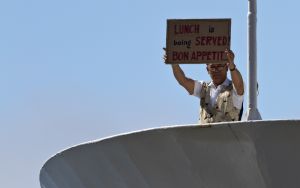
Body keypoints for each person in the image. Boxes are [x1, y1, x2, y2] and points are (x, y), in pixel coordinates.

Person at [164, 49, 244, 124]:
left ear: (226, 68)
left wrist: (232, 66)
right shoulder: (204, 88)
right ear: (207, 70)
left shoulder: (234, 89)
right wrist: (174, 64)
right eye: (212, 67)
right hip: (203, 138)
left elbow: (239, 86)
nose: (216, 70)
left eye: (219, 66)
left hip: (229, 138)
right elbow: (183, 81)